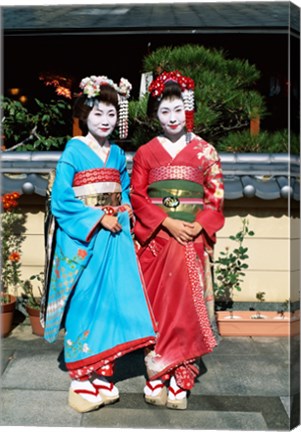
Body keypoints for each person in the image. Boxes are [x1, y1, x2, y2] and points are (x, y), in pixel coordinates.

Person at [43, 75, 156, 413]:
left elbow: (123, 189)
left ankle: (104, 371)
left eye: (110, 114)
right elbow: (62, 200)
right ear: (84, 116)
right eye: (97, 115)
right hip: (86, 237)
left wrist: (123, 210)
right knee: (85, 300)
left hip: (114, 236)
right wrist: (96, 219)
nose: (104, 121)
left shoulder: (118, 153)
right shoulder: (74, 151)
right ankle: (81, 376)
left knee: (113, 300)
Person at [130, 70, 225, 410]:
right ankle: (156, 372)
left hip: (191, 239)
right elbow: (138, 197)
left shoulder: (205, 152)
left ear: (188, 109)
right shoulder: (145, 153)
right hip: (157, 239)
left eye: (177, 109)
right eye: (164, 111)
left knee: (185, 308)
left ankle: (182, 376)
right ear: (155, 115)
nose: (172, 118)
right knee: (155, 307)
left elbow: (215, 198)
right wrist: (168, 222)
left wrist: (198, 226)